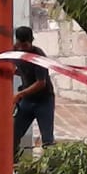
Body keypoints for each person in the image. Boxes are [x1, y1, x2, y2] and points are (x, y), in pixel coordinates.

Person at [11, 25, 55, 158]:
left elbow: (41, 83)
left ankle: (51, 170)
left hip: (44, 101)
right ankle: (13, 166)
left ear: (31, 41)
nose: (24, 49)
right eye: (21, 45)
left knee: (47, 140)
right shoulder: (14, 51)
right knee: (13, 135)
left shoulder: (38, 56)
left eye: (26, 45)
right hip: (27, 102)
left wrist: (20, 94)